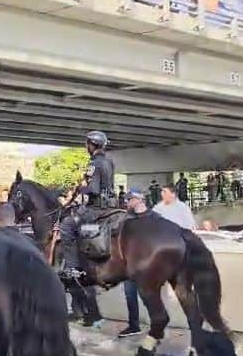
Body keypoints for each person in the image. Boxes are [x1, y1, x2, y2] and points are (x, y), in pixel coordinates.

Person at [59, 130, 114, 280]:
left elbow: (93, 189)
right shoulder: (109, 161)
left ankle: (73, 268)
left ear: (93, 145)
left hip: (96, 208)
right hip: (110, 206)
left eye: (87, 144)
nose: (86, 147)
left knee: (67, 226)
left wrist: (79, 188)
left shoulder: (94, 163)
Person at [119, 190, 152, 338]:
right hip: (129, 265)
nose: (127, 202)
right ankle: (134, 326)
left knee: (147, 297)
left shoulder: (154, 217)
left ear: (139, 200)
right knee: (130, 295)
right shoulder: (127, 218)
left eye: (129, 200)